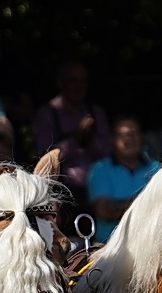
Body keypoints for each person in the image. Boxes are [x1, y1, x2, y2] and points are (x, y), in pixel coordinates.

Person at [31, 60, 112, 201]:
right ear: (60, 83)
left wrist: (91, 138)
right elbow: (45, 160)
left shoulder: (96, 113)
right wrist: (76, 138)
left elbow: (109, 154)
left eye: (83, 81)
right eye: (73, 81)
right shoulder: (47, 114)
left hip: (100, 191)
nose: (79, 86)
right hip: (63, 195)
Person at [85, 116, 160, 242]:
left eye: (133, 133)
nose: (129, 139)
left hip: (149, 244)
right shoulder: (100, 169)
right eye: (123, 134)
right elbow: (104, 211)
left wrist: (120, 206)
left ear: (142, 137)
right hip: (108, 248)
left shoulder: (157, 168)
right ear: (113, 139)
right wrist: (148, 204)